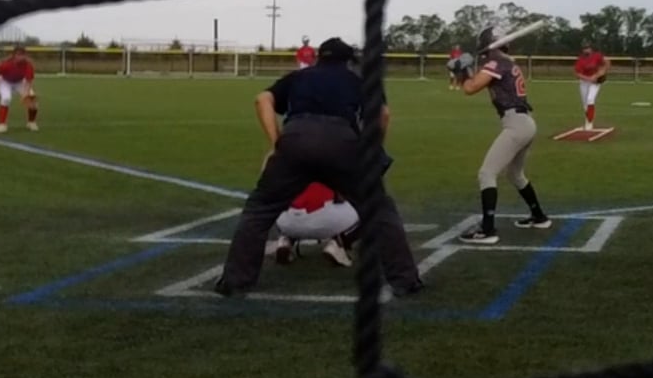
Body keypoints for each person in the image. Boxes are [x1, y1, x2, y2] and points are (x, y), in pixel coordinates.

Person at [214, 37, 423, 298]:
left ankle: (235, 282)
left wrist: (276, 143)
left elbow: (262, 99)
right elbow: (383, 114)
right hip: (342, 142)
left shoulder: (298, 77)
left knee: (259, 211)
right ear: (347, 61)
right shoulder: (359, 80)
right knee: (379, 210)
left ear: (318, 57)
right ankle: (405, 280)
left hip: (296, 138)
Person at [451, 27, 551, 245]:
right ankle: (539, 216)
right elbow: (475, 83)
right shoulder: (506, 61)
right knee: (515, 174)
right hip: (524, 122)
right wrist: (465, 71)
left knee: (487, 173)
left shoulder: (496, 62)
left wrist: (462, 71)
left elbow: (470, 88)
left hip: (516, 124)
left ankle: (487, 230)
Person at [0, 44, 38, 133]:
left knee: (32, 98)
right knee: (6, 98)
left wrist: (26, 94)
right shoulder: (6, 64)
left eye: (23, 54)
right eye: (18, 54)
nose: (21, 57)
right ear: (14, 55)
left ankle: (31, 122)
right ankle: (1, 124)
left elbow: (28, 81)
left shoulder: (28, 65)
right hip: (5, 81)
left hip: (19, 82)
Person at [575, 44, 608, 129]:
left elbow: (606, 64)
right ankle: (588, 119)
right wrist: (589, 79)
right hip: (584, 82)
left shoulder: (597, 56)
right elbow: (578, 74)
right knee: (585, 104)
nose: (586, 50)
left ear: (591, 49)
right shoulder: (580, 60)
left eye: (588, 48)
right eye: (584, 49)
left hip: (595, 82)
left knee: (590, 99)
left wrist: (599, 74)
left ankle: (589, 122)